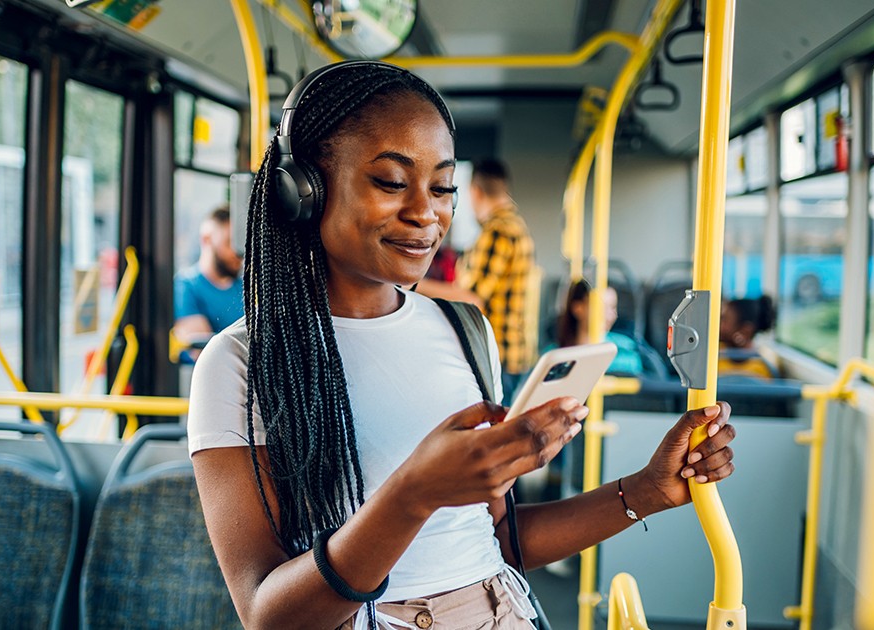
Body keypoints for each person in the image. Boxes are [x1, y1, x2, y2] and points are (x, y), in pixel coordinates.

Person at [188, 61, 736, 630]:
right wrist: (413, 495)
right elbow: (265, 614)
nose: (427, 212)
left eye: (444, 186)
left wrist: (646, 489)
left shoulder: (465, 330)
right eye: (392, 183)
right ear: (301, 191)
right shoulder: (239, 364)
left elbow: (497, 539)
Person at [456, 158, 536, 399]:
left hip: (497, 353)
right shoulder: (517, 226)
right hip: (513, 353)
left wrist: (416, 286)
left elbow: (472, 297)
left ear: (475, 192)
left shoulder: (498, 231)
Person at [172, 206, 244, 362]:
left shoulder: (246, 289)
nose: (238, 253)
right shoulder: (185, 286)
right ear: (206, 239)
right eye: (229, 243)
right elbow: (203, 352)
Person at [555, 279, 666, 378]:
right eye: (601, 307)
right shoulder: (556, 357)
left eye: (612, 308)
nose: (609, 316)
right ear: (578, 308)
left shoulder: (628, 349)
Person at [717, 295, 779, 380]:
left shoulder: (763, 368)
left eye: (724, 319)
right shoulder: (713, 354)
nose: (717, 324)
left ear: (745, 331)